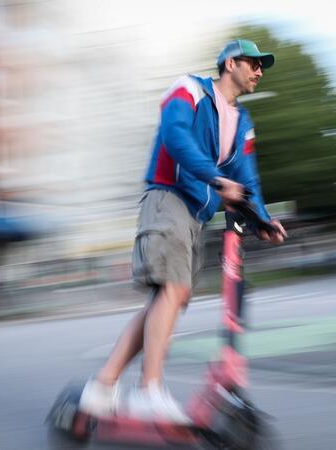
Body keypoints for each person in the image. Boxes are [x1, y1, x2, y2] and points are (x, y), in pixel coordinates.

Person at [79, 39, 287, 424]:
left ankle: (103, 386)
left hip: (196, 214)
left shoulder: (243, 123)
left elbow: (247, 177)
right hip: (168, 198)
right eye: (254, 64)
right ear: (230, 63)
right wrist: (215, 178)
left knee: (170, 299)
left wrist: (263, 218)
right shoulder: (189, 89)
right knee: (172, 293)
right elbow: (175, 137)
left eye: (262, 67)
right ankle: (149, 391)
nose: (260, 72)